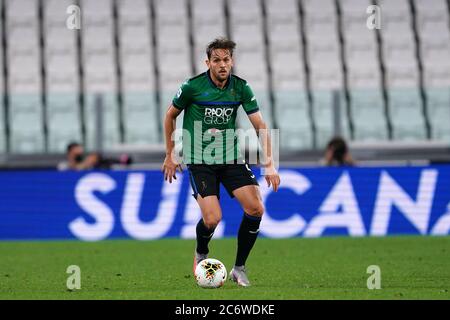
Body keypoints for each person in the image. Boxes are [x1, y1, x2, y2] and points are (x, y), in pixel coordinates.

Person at [161, 38, 280, 287]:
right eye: (217, 60)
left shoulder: (240, 88)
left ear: (231, 61)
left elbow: (260, 125)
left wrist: (270, 163)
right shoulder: (192, 87)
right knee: (213, 218)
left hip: (230, 158)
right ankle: (201, 251)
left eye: (226, 60)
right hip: (199, 160)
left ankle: (239, 268)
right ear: (208, 63)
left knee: (256, 208)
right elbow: (170, 116)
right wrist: (171, 154)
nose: (222, 64)